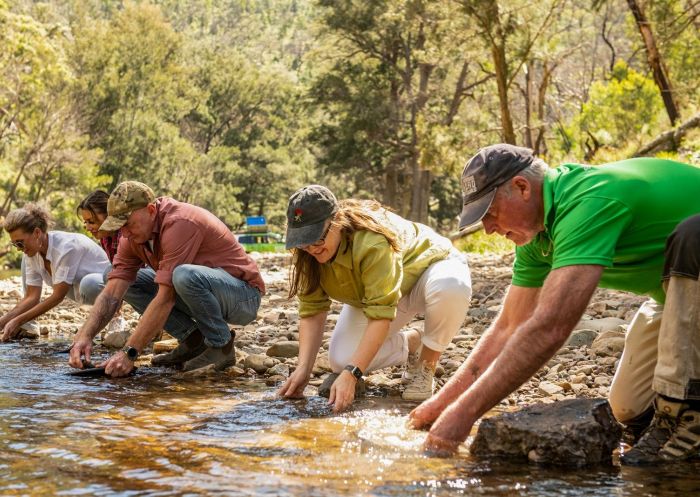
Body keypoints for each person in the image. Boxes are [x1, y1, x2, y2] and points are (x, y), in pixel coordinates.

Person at [408, 143, 700, 465]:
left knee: (681, 398)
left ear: (522, 188)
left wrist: (461, 419)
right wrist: (439, 406)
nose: (488, 229)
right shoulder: (535, 236)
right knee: (628, 408)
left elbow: (551, 327)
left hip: (693, 270)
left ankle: (687, 415)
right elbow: (508, 327)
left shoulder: (587, 203)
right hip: (676, 296)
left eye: (489, 212)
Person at [278, 185, 472, 411]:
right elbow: (312, 310)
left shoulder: (371, 241)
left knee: (451, 287)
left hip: (428, 272)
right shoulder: (307, 255)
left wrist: (353, 374)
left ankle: (427, 363)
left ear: (337, 220)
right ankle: (413, 341)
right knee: (341, 359)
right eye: (303, 241)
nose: (311, 248)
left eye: (317, 238)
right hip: (381, 295)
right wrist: (304, 368)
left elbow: (380, 314)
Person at [68, 181, 265, 376]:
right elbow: (112, 293)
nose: (124, 233)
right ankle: (193, 339)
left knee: (184, 275)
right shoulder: (131, 237)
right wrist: (85, 336)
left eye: (127, 224)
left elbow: (165, 298)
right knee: (113, 275)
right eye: (119, 226)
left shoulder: (179, 223)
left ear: (151, 210)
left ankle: (220, 346)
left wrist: (129, 353)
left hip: (243, 296)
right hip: (206, 292)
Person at [1, 204, 110, 342]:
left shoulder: (66, 247)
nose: (18, 249)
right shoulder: (33, 250)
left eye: (20, 243)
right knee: (25, 257)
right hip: (77, 290)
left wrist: (16, 321)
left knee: (88, 284)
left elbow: (58, 296)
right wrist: (3, 321)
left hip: (105, 289)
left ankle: (114, 316)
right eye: (15, 244)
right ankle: (28, 325)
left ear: (37, 233)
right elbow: (31, 297)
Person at [77, 190, 129, 335]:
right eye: (85, 222)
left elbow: (122, 274)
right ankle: (116, 316)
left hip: (146, 279)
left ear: (109, 216)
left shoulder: (126, 233)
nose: (87, 227)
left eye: (91, 222)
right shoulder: (104, 237)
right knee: (90, 284)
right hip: (125, 279)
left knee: (110, 273)